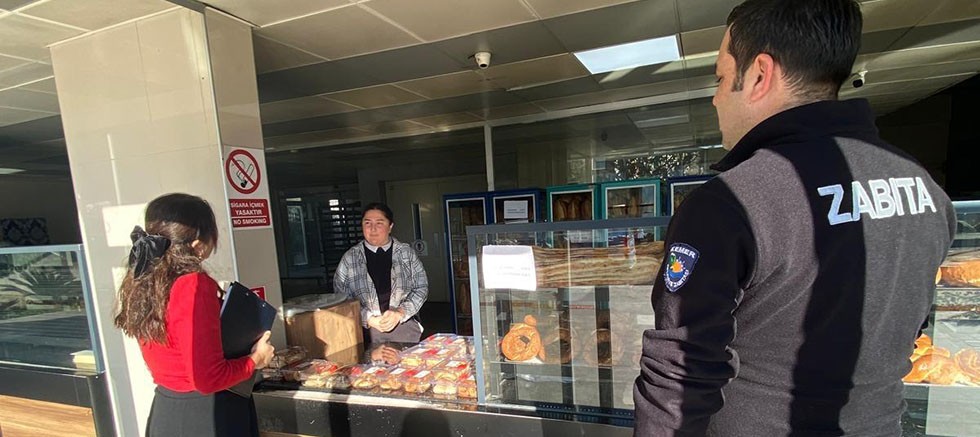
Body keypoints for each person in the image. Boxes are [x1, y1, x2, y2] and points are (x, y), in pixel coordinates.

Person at [632, 1, 956, 436]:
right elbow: (909, 326)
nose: (715, 98)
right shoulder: (924, 188)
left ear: (760, 75)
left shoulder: (730, 203)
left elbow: (680, 376)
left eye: (720, 79)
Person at [114, 193, 275, 437]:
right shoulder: (193, 285)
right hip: (209, 413)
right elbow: (207, 378)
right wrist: (256, 359)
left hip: (166, 407)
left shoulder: (145, 279)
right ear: (198, 245)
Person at [334, 202, 428, 343]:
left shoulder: (406, 253)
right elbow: (341, 297)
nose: (373, 229)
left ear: (390, 226)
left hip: (403, 326)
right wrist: (369, 319)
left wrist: (400, 313)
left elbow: (421, 287)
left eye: (379, 223)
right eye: (367, 223)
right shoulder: (350, 258)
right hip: (364, 330)